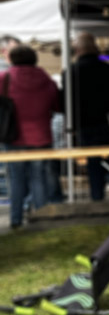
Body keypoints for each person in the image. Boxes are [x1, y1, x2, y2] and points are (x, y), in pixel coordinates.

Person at [68, 32, 109, 213]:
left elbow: (65, 103)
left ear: (78, 50)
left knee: (93, 166)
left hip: (85, 126)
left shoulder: (71, 72)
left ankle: (98, 204)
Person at [1, 44, 60, 228]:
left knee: (16, 178)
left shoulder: (6, 78)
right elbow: (57, 105)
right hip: (41, 136)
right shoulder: (46, 79)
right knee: (39, 178)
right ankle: (41, 218)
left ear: (12, 59)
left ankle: (16, 219)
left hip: (14, 135)